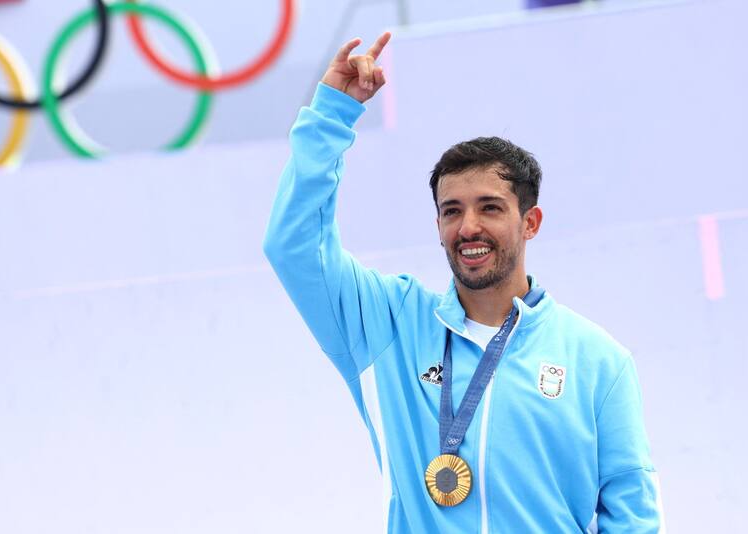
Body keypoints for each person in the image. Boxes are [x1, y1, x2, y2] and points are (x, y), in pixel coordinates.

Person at [263, 32, 664, 533]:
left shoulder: (597, 360)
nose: (468, 227)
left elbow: (632, 517)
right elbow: (295, 247)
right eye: (452, 211)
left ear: (530, 222)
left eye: (490, 208)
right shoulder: (390, 325)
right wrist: (330, 117)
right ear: (438, 227)